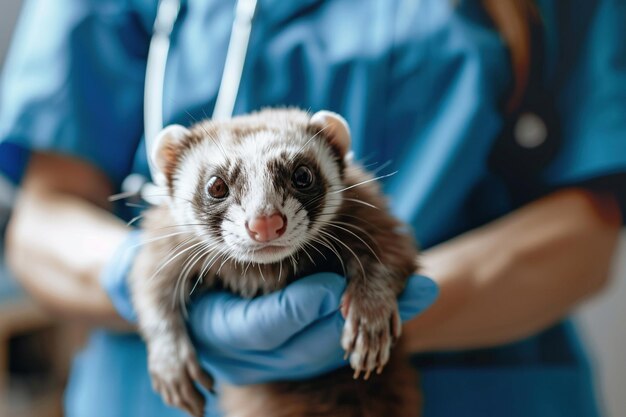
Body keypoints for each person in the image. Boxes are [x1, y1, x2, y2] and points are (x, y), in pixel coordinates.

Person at [1, 0, 625, 416]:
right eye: (219, 193)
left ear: (337, 154)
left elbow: (588, 229)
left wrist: (379, 316)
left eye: (298, 181)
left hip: (468, 384)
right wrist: (139, 292)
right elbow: (42, 216)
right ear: (174, 171)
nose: (264, 220)